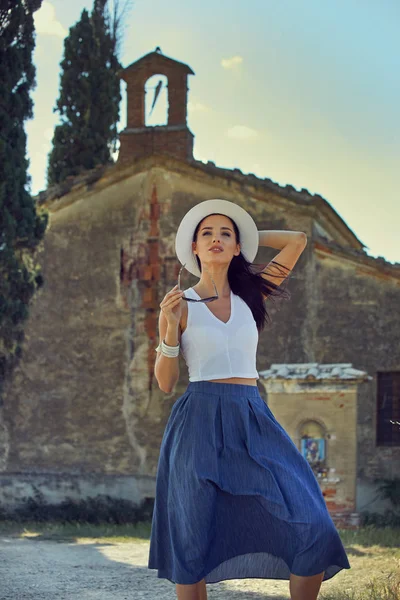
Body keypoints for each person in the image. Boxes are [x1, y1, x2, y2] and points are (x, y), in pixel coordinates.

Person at [148, 199, 350, 600]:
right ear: (194, 248)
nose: (217, 239)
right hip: (198, 419)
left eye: (226, 233)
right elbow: (166, 383)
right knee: (191, 539)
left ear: (238, 246)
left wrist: (249, 233)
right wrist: (170, 329)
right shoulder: (179, 304)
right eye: (207, 233)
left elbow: (297, 239)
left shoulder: (253, 294)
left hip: (251, 414)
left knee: (313, 525)